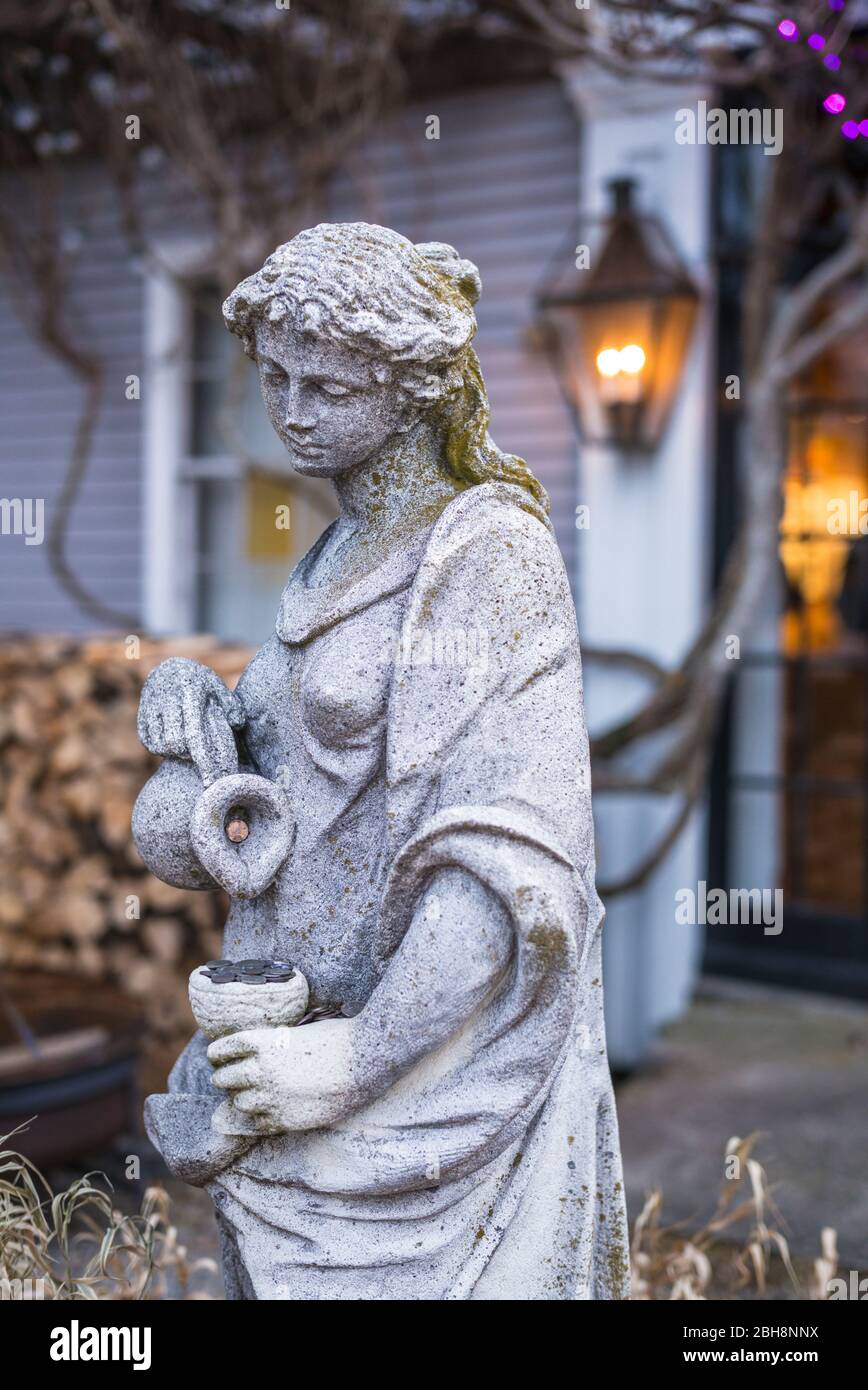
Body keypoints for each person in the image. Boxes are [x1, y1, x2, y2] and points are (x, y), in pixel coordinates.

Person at [136, 222, 628, 1300]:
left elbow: (503, 865)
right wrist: (201, 721)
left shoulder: (488, 554)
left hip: (410, 1097)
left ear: (409, 388)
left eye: (328, 385)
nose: (294, 409)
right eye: (275, 378)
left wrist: (358, 1058)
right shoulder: (334, 550)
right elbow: (264, 812)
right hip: (282, 1052)